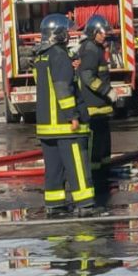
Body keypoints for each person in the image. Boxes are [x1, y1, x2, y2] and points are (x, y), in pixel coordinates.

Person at [33, 13, 96, 214]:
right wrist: (72, 116)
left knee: (53, 168)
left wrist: (71, 68)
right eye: (66, 31)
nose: (69, 35)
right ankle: (85, 204)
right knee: (77, 165)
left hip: (47, 126)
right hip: (65, 125)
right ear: (58, 34)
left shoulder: (41, 56)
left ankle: (54, 204)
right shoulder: (60, 55)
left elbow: (45, 83)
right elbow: (62, 88)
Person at [76, 14, 115, 181]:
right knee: (95, 146)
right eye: (102, 32)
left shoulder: (96, 48)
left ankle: (105, 174)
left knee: (103, 145)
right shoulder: (90, 49)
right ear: (94, 32)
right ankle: (94, 178)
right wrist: (107, 91)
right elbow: (87, 77)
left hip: (100, 107)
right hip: (93, 108)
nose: (105, 35)